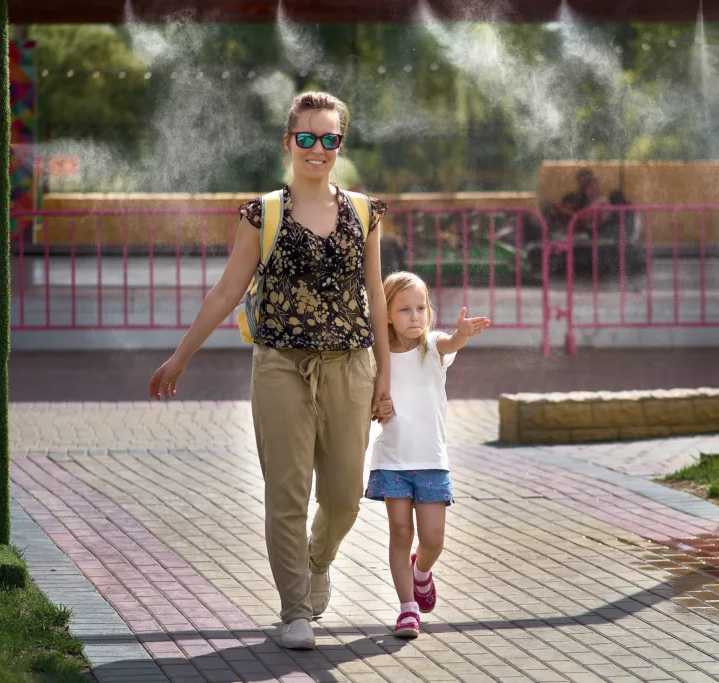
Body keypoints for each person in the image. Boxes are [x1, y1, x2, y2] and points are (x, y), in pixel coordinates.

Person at [147, 91, 392, 651]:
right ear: (288, 142)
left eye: (329, 138)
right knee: (287, 492)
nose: (317, 148)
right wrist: (180, 355)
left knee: (345, 496)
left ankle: (318, 560)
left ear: (340, 144)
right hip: (281, 365)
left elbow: (376, 296)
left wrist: (384, 374)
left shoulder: (364, 211)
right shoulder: (264, 213)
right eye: (305, 137)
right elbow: (227, 290)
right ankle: (295, 611)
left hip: (351, 365)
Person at [367, 271, 490, 639]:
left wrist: (462, 334)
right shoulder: (379, 356)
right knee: (400, 532)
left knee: (433, 539)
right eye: (404, 309)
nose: (415, 316)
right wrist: (378, 408)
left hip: (431, 462)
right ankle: (407, 610)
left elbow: (451, 343)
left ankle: (421, 573)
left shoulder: (434, 347)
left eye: (421, 308)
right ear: (386, 314)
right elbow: (370, 400)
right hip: (392, 461)